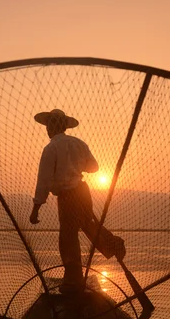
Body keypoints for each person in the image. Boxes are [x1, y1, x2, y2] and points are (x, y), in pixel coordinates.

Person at [30, 109, 126, 293]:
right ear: (65, 126)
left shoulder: (51, 148)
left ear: (51, 127)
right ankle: (113, 244)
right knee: (89, 224)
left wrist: (36, 209)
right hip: (83, 192)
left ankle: (73, 281)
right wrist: (76, 165)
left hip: (67, 195)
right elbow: (94, 167)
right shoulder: (78, 144)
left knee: (68, 236)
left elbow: (43, 180)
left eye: (48, 126)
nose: (47, 129)